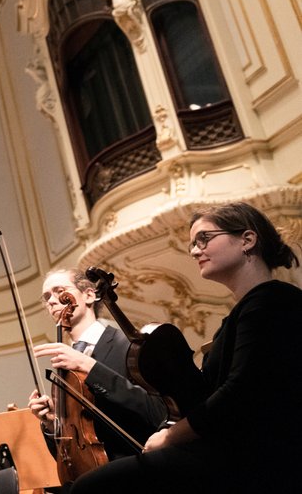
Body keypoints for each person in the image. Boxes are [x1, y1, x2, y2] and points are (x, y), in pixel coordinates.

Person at [73, 202, 301, 493]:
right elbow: (207, 393)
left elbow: (240, 392)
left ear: (247, 240)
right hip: (232, 452)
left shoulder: (272, 300)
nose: (195, 251)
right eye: (193, 244)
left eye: (204, 239)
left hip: (256, 458)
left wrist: (171, 437)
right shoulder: (241, 314)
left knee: (92, 487)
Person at [26, 265, 167, 460]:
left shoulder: (129, 346)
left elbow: (158, 412)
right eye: (47, 297)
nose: (51, 300)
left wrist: (89, 366)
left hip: (139, 461)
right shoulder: (64, 366)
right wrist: (51, 424)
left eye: (60, 291)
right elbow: (67, 455)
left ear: (89, 295)